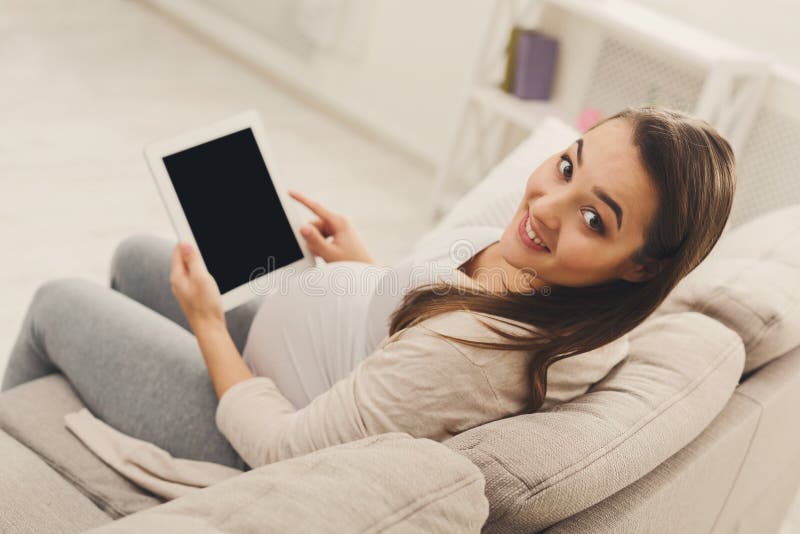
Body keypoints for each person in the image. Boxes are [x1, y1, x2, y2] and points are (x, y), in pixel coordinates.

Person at [1, 107, 736, 475]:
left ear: (640, 265)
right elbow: (420, 330)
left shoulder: (480, 354)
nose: (546, 204)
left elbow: (282, 450)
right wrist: (364, 266)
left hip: (255, 422)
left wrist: (207, 328)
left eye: (593, 217)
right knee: (139, 255)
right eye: (569, 167)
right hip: (310, 348)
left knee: (58, 303)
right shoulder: (550, 280)